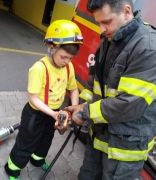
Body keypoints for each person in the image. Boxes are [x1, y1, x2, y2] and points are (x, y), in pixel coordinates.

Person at [66, 0, 156, 179]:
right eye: (99, 22)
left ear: (126, 11)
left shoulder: (147, 47)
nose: (101, 29)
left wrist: (85, 112)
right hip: (100, 136)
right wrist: (81, 104)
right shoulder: (109, 40)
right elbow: (94, 82)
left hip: (125, 148)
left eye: (106, 22)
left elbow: (129, 104)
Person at [4, 19, 84, 180]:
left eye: (70, 58)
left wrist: (73, 108)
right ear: (52, 47)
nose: (67, 62)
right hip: (35, 113)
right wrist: (53, 114)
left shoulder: (68, 67)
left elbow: (73, 88)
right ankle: (12, 168)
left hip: (53, 113)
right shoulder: (39, 68)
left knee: (46, 139)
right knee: (27, 141)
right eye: (63, 57)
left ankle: (37, 159)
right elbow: (33, 98)